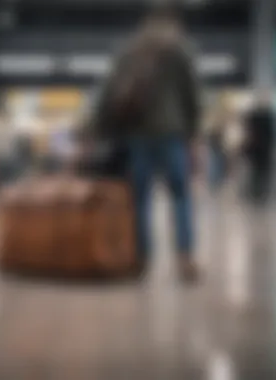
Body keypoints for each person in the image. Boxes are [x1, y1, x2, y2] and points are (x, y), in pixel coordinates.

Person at [94, 3, 201, 281]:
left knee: (139, 199)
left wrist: (98, 129)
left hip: (137, 134)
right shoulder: (180, 49)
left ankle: (141, 259)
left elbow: (109, 91)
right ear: (173, 21)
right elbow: (192, 95)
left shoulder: (130, 50)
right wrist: (193, 132)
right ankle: (184, 258)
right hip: (171, 133)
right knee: (180, 196)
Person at [243, 92, 276, 202]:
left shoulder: (255, 116)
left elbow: (249, 132)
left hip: (258, 151)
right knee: (261, 173)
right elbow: (273, 134)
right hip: (262, 151)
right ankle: (259, 194)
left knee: (257, 173)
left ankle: (256, 193)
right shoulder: (268, 117)